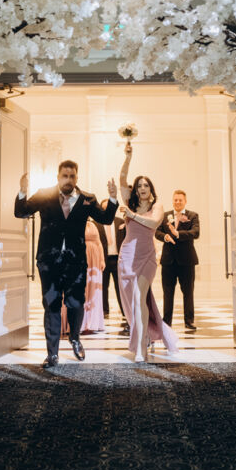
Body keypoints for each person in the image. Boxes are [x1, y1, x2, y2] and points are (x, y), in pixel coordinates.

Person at [14, 160, 118, 368]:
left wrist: (113, 198)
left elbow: (106, 219)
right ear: (58, 177)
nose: (68, 180)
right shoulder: (44, 195)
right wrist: (23, 191)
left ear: (77, 178)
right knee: (51, 305)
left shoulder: (88, 199)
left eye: (72, 176)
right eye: (65, 176)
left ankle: (75, 338)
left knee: (75, 303)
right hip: (48, 261)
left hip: (76, 262)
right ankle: (52, 354)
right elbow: (21, 212)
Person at [117, 143, 179, 362]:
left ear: (151, 189)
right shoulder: (130, 202)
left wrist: (132, 215)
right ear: (136, 190)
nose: (142, 188)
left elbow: (153, 223)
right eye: (139, 185)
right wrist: (128, 157)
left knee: (138, 296)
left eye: (146, 185)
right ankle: (144, 338)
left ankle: (141, 349)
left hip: (147, 258)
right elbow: (122, 179)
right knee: (134, 301)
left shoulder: (157, 206)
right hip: (127, 256)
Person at [155, 190, 200, 331]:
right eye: (175, 200)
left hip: (187, 261)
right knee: (167, 292)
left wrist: (178, 234)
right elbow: (157, 232)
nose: (178, 202)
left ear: (185, 201)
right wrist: (165, 237)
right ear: (172, 201)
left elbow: (196, 233)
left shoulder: (192, 216)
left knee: (188, 292)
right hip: (168, 261)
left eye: (180, 200)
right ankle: (166, 321)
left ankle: (189, 321)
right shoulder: (165, 216)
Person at [94, 199, 127, 331]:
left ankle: (124, 310)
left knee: (120, 287)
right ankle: (104, 310)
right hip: (103, 259)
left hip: (118, 259)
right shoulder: (97, 223)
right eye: (104, 208)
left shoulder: (121, 222)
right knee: (103, 286)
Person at [80, 219, 106, 333]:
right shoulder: (75, 221)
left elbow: (99, 243)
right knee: (83, 288)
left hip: (95, 259)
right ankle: (81, 322)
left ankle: (93, 322)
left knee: (95, 289)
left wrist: (102, 259)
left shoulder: (92, 225)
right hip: (81, 257)